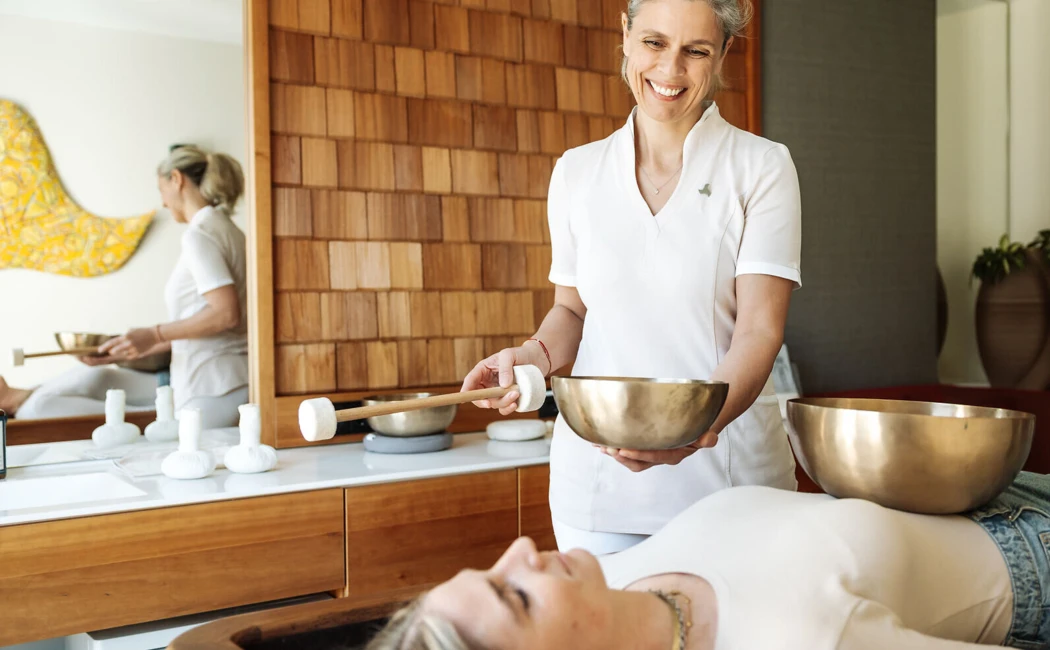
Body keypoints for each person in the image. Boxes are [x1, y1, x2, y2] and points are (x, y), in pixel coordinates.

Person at [461, 0, 802, 554]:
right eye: (654, 43)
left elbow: (760, 330)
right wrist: (531, 357)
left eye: (695, 51)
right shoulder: (576, 172)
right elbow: (572, 312)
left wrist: (694, 430)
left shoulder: (761, 167)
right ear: (624, 34)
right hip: (597, 495)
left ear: (723, 54)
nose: (670, 71)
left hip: (732, 489)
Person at [365, 473, 1050, 649]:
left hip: (989, 492)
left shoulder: (623, 583)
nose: (519, 553)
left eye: (489, 567)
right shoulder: (801, 641)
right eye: (513, 596)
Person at [0, 145, 249, 429]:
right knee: (98, 380)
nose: (164, 203)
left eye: (161, 189)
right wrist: (132, 347)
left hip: (213, 385)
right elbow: (216, 325)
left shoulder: (199, 236)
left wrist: (154, 333)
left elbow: (226, 314)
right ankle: (21, 397)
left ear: (177, 179)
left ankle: (21, 400)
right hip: (228, 379)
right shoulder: (229, 231)